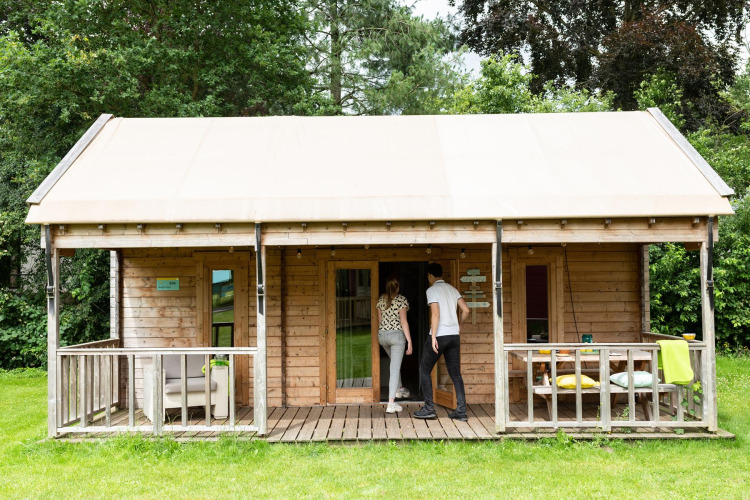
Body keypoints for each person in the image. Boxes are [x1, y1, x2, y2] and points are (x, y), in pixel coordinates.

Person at [413, 263, 470, 421]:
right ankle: (461, 412)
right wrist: (459, 324)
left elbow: (436, 314)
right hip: (453, 335)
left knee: (424, 369)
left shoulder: (431, 290)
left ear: (430, 276)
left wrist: (433, 337)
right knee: (455, 374)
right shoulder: (452, 289)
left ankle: (429, 408)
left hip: (440, 335)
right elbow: (466, 310)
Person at [376, 277, 413, 413]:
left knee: (394, 364)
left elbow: (380, 321)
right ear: (397, 288)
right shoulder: (401, 300)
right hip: (396, 336)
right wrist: (409, 340)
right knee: (394, 368)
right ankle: (391, 403)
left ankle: (400, 388)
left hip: (383, 336)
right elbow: (404, 322)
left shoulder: (380, 299)